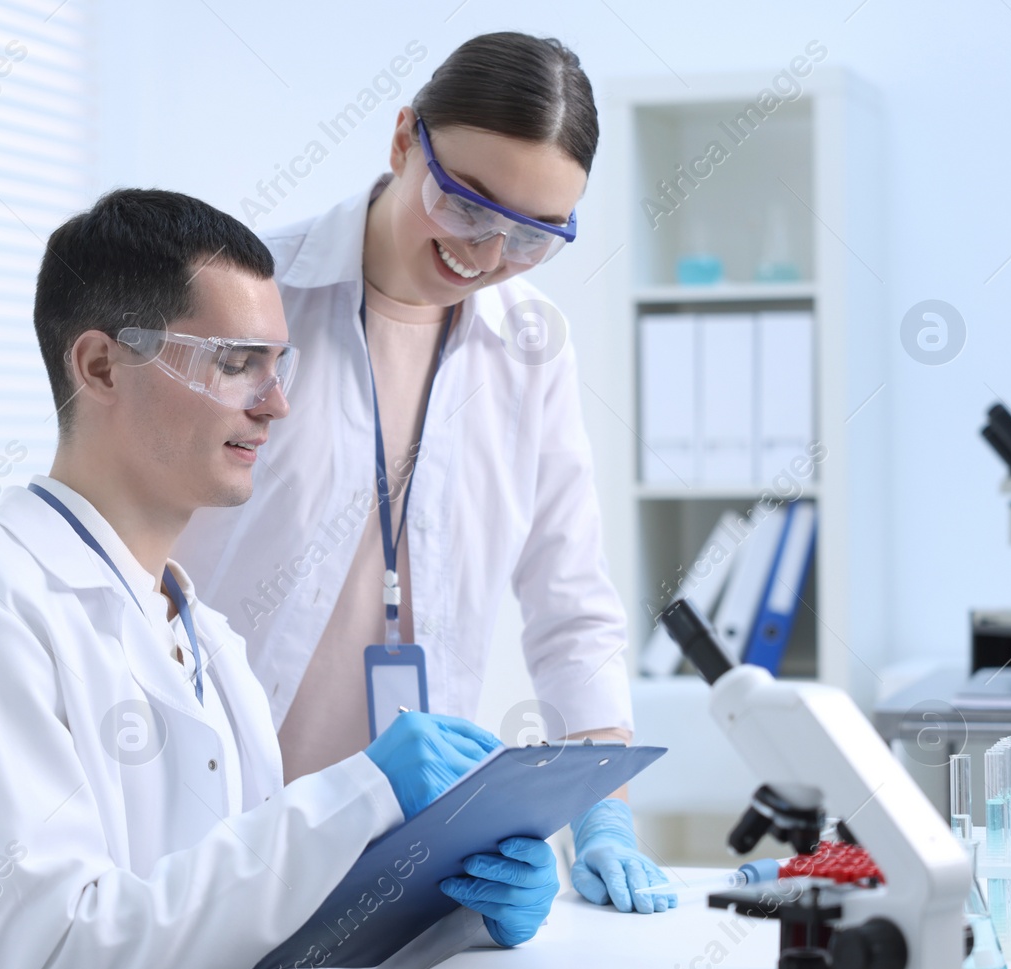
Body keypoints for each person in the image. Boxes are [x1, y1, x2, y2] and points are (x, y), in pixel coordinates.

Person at [0, 188, 559, 969]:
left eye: (277, 363)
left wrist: (457, 920)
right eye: (236, 363)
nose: (276, 404)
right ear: (101, 366)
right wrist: (357, 795)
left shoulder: (206, 641)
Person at [175, 31, 676, 913]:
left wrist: (602, 804)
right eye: (468, 205)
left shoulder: (531, 346)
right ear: (405, 139)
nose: (485, 256)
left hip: (410, 846)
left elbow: (572, 598)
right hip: (216, 835)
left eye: (531, 237)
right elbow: (118, 549)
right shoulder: (248, 295)